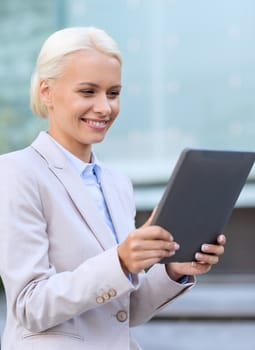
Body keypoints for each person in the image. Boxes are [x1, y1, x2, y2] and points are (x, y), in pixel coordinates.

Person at [0, 27, 225, 350]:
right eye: (88, 92)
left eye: (114, 93)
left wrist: (174, 270)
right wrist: (119, 261)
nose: (105, 108)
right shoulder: (16, 173)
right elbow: (29, 307)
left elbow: (123, 311)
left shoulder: (117, 184)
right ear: (47, 91)